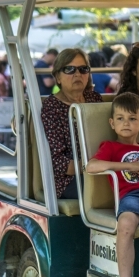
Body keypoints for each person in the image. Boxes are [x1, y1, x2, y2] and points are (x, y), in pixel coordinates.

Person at [86, 92, 139, 277]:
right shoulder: (110, 147)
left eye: (132, 118)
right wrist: (126, 166)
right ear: (112, 123)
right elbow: (91, 167)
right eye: (120, 119)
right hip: (132, 195)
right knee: (126, 224)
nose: (126, 123)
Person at [41, 48, 103, 200]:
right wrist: (94, 167)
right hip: (68, 180)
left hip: (103, 170)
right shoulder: (52, 107)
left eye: (83, 69)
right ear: (58, 77)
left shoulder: (94, 99)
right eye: (69, 69)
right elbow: (58, 162)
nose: (77, 74)